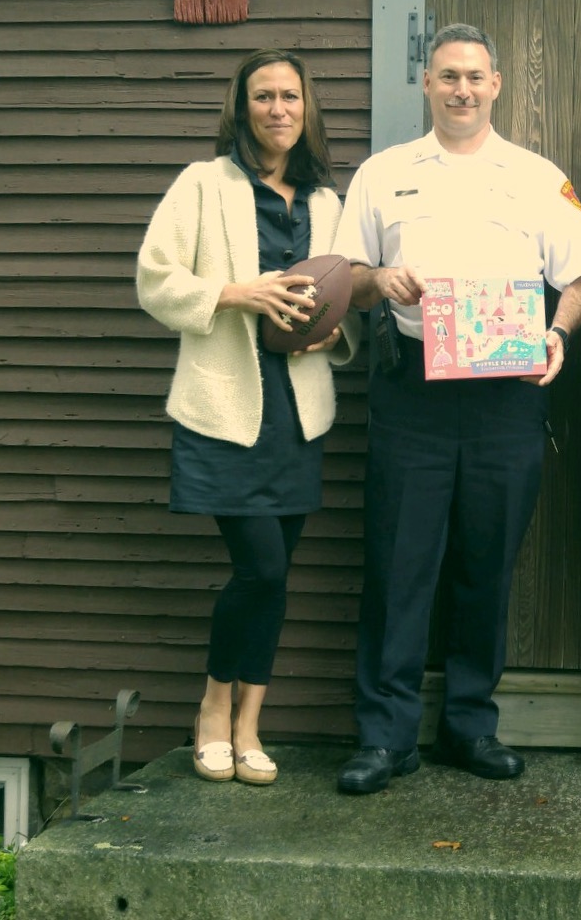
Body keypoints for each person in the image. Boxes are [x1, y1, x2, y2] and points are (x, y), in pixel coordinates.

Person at [331, 23, 581, 795]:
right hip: (412, 384)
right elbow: (346, 270)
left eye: (475, 76)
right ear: (426, 83)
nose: (461, 89)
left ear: (497, 83)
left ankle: (470, 724)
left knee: (488, 561)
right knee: (398, 563)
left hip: (505, 392)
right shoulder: (384, 174)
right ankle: (384, 738)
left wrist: (557, 332)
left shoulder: (535, 174)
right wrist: (380, 281)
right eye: (447, 75)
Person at [135, 48, 357, 787]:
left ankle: (250, 725)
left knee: (277, 573)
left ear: (308, 107)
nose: (279, 109)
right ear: (242, 106)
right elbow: (155, 280)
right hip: (224, 406)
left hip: (299, 412)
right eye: (263, 96)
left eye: (290, 96)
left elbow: (343, 299)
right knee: (259, 565)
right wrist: (240, 293)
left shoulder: (327, 200)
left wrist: (330, 332)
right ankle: (211, 709)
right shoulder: (203, 185)